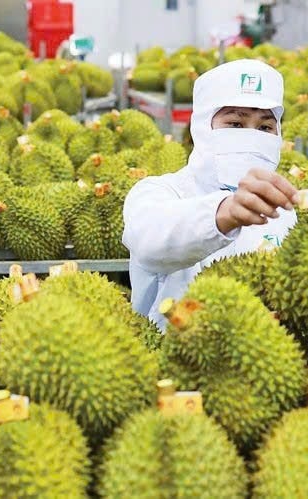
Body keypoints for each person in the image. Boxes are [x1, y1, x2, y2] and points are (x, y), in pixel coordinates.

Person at [122, 59, 299, 330]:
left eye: (264, 128)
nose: (251, 137)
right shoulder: (159, 193)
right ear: (203, 127)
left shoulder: (284, 211)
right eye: (235, 124)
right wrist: (223, 213)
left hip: (261, 360)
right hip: (171, 361)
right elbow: (149, 238)